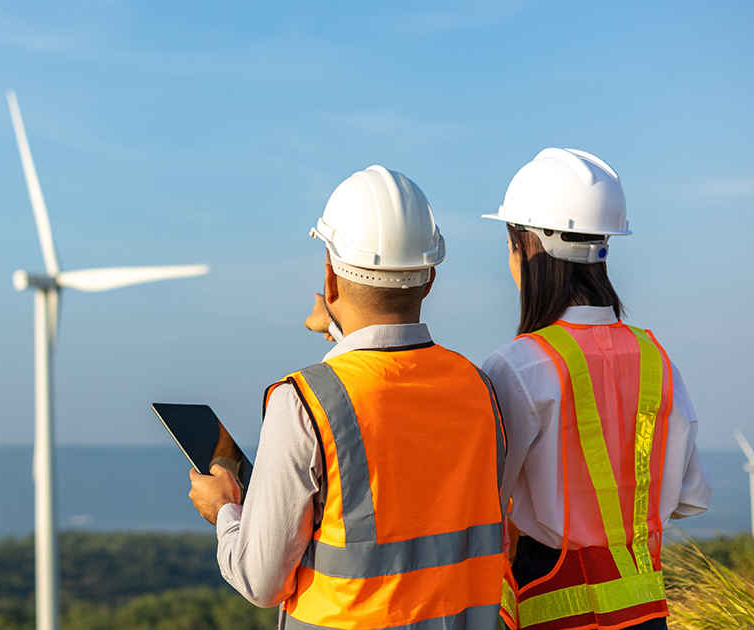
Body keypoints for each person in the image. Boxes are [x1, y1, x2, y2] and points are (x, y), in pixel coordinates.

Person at [189, 165, 512, 630]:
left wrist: (224, 510)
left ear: (331, 278)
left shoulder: (302, 404)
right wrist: (340, 329)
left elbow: (260, 581)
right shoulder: (480, 390)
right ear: (430, 279)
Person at [480, 148, 712, 630]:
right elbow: (690, 495)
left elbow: (484, 505)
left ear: (527, 246)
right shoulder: (655, 357)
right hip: (645, 610)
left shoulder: (518, 366)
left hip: (551, 607)